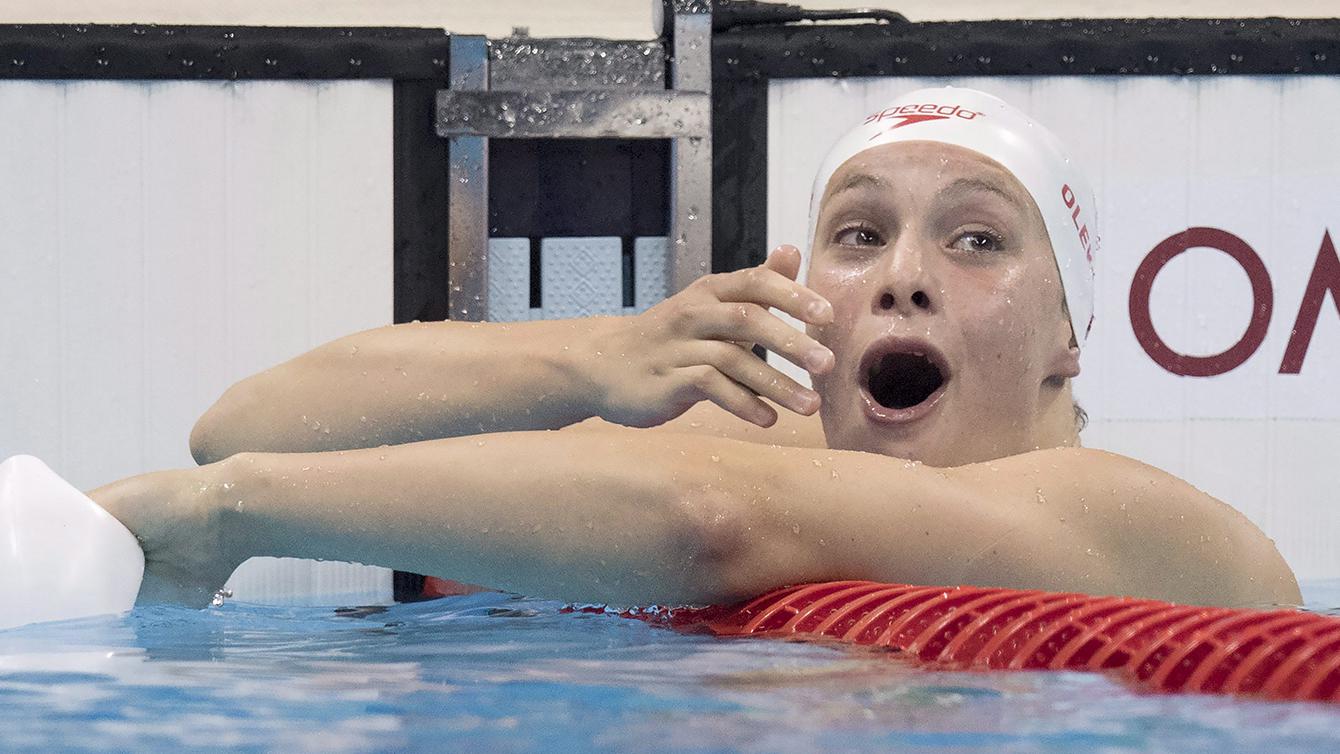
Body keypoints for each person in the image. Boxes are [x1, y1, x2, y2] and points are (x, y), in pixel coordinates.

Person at [91, 88, 1300, 610]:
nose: (902, 274)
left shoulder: (1137, 522)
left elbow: (713, 522)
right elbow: (244, 424)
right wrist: (597, 356)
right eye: (857, 234)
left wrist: (228, 516)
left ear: (1069, 335)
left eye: (974, 239)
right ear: (808, 298)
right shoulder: (767, 444)